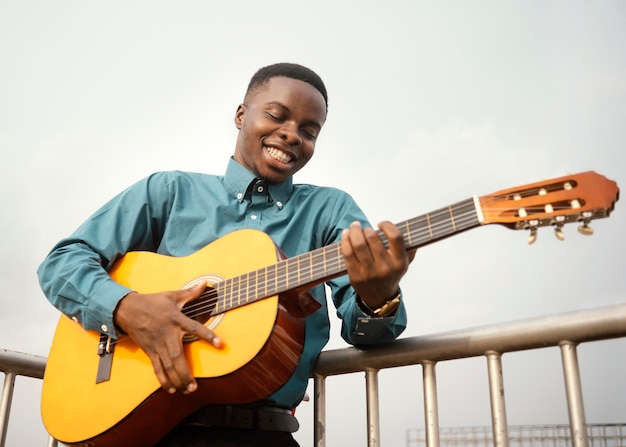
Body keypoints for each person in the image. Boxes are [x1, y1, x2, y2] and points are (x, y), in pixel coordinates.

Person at [37, 62, 414, 447]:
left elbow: (368, 334)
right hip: (144, 425)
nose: (291, 135)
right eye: (276, 115)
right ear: (240, 115)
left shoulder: (330, 210)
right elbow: (62, 262)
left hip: (261, 435)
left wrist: (378, 297)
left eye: (309, 131)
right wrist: (127, 309)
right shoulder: (168, 191)